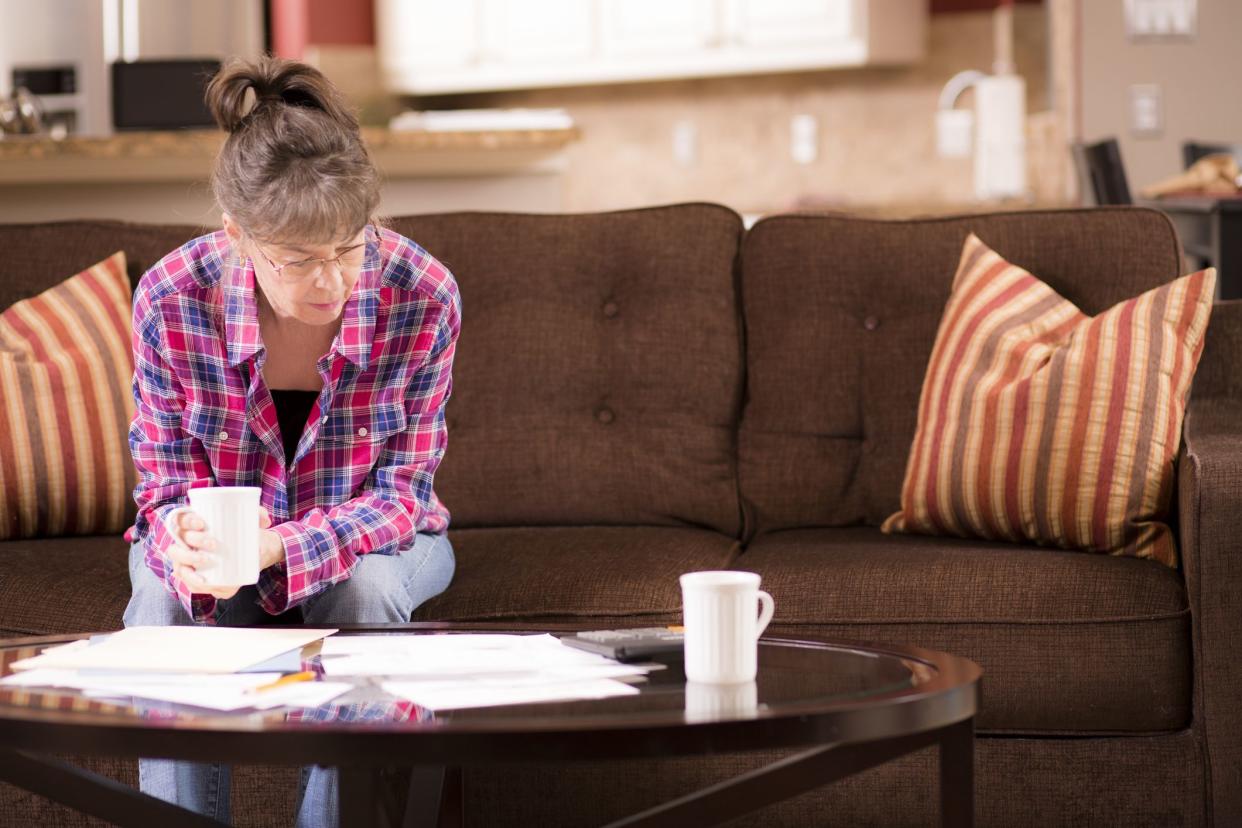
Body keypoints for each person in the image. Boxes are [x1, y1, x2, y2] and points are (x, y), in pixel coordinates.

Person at [121, 54, 460, 827]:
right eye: (300, 260)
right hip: (226, 551)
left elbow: (402, 495)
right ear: (238, 237)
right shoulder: (172, 298)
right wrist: (184, 534)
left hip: (379, 539)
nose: (332, 283)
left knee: (367, 591)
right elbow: (163, 485)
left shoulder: (422, 294)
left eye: (348, 249)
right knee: (159, 605)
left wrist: (282, 549)